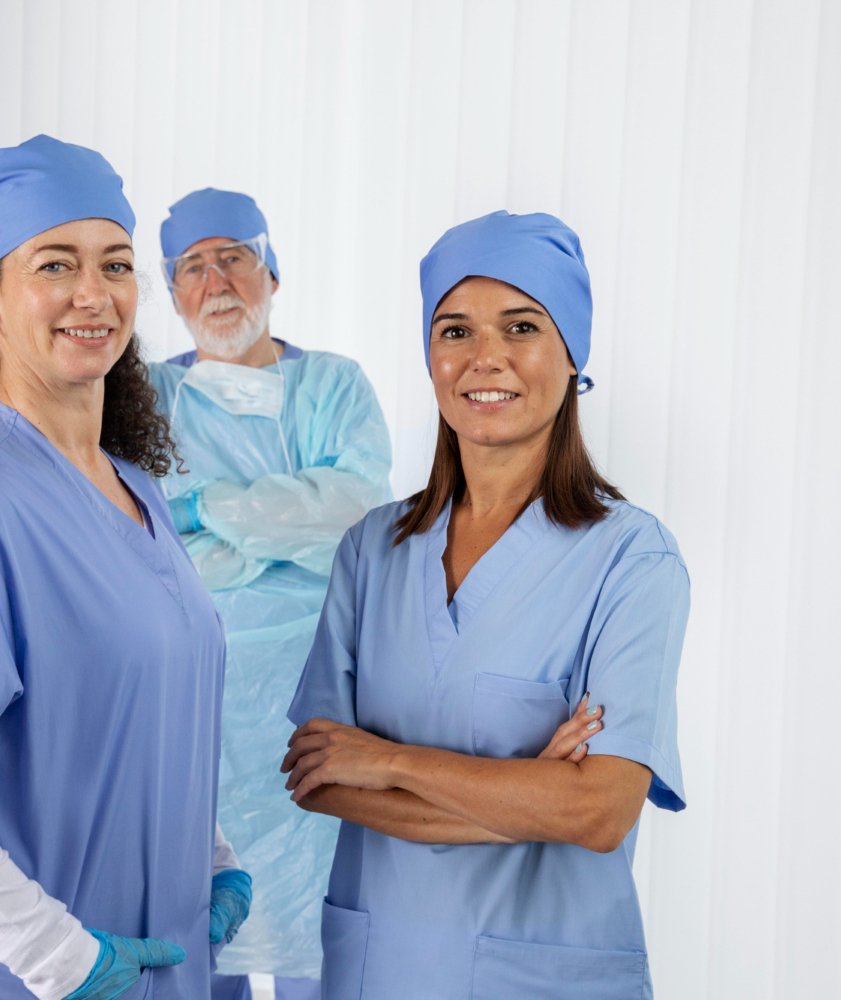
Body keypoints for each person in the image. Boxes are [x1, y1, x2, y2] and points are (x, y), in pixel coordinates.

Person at [0, 135, 249, 1000]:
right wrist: (58, 955)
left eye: (117, 264)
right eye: (55, 265)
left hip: (149, 955)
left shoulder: (136, 489)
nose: (92, 295)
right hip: (16, 976)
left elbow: (145, 702)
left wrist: (212, 856)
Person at [281, 210, 688, 999]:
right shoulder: (372, 549)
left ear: (572, 355)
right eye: (455, 330)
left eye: (522, 325)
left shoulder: (632, 560)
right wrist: (532, 793)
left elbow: (601, 811)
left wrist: (390, 761)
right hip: (380, 969)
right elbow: (317, 777)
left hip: (542, 975)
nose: (485, 358)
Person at [147, 188, 392, 999]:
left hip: (312, 689)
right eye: (193, 265)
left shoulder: (333, 387)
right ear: (172, 290)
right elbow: (146, 551)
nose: (216, 280)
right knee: (197, 922)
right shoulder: (142, 399)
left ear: (271, 274)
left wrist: (206, 508)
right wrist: (282, 526)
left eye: (234, 257)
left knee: (311, 934)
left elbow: (353, 513)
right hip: (186, 695)